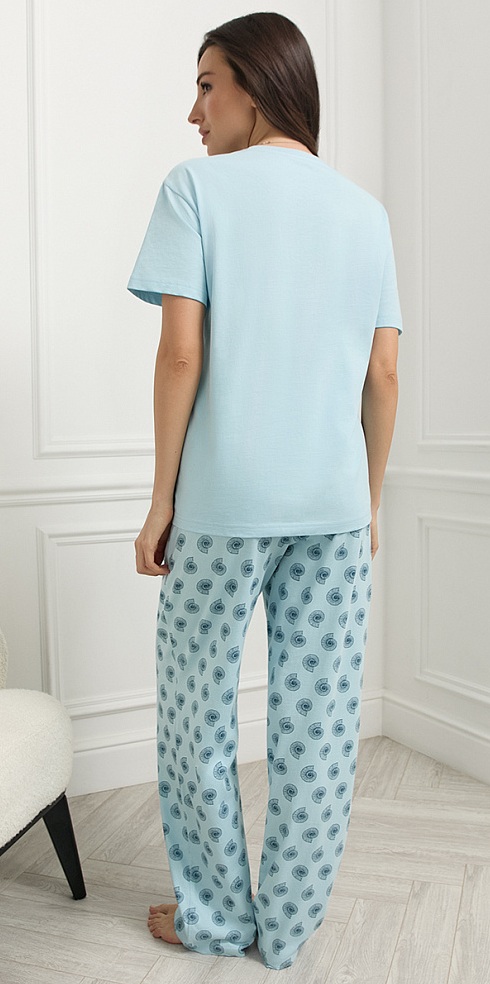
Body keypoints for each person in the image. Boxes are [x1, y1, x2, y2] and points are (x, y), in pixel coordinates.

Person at [127, 11, 402, 971]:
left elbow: (181, 354)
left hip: (223, 507)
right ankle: (285, 929)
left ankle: (215, 918)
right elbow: (383, 376)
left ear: (256, 84)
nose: (193, 110)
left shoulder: (194, 189)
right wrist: (368, 500)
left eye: (207, 85)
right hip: (335, 510)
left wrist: (161, 500)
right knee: (320, 726)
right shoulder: (366, 213)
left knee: (196, 716)